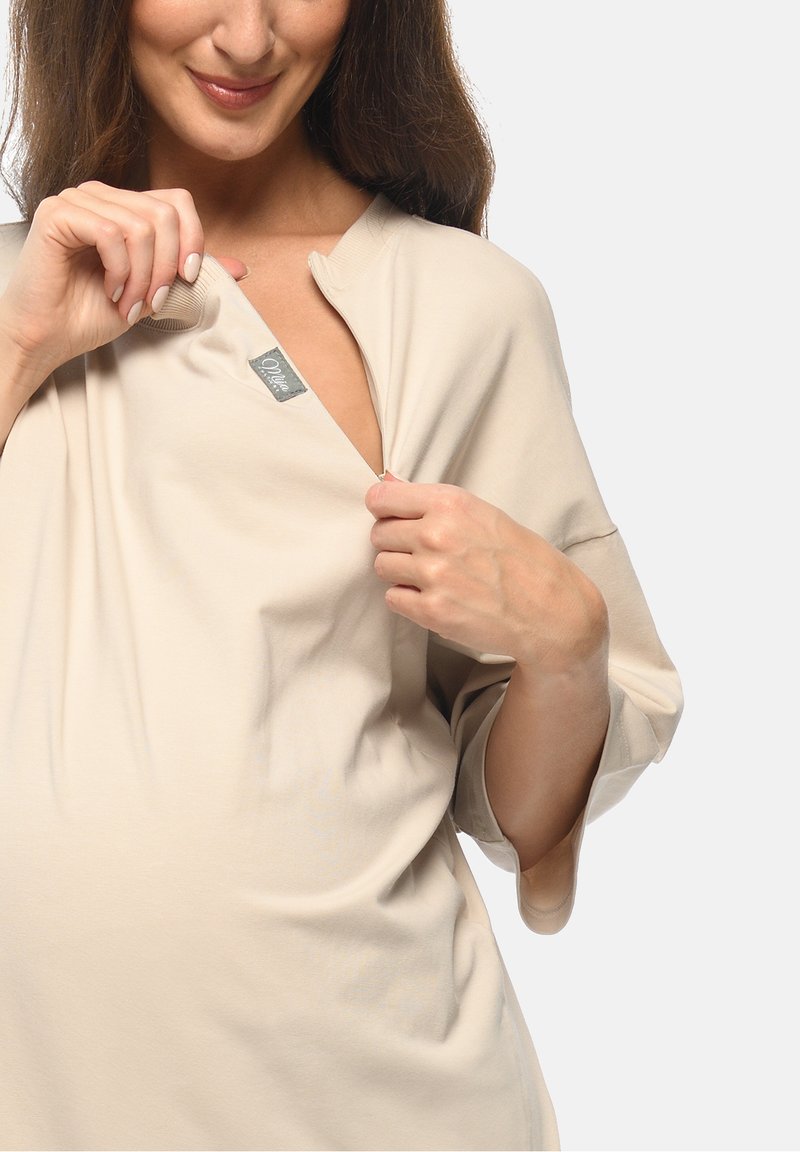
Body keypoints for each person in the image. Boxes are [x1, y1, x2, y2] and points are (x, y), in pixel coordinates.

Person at [0, 1, 683, 1149]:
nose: (248, 37)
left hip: (376, 1089)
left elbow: (523, 823)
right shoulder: (20, 294)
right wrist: (20, 345)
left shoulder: (460, 307)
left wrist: (566, 645)